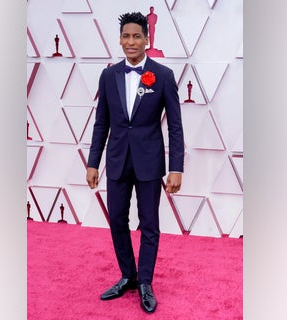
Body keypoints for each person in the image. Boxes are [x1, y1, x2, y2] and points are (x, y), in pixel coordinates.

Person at [86, 11, 184, 314]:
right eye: (126, 36)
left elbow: (176, 126)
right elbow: (101, 123)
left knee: (149, 224)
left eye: (137, 36)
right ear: (120, 40)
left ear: (147, 39)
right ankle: (128, 275)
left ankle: (145, 282)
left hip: (149, 161)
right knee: (116, 220)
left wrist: (176, 167)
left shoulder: (163, 76)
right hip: (116, 160)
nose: (131, 41)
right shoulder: (109, 75)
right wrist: (93, 162)